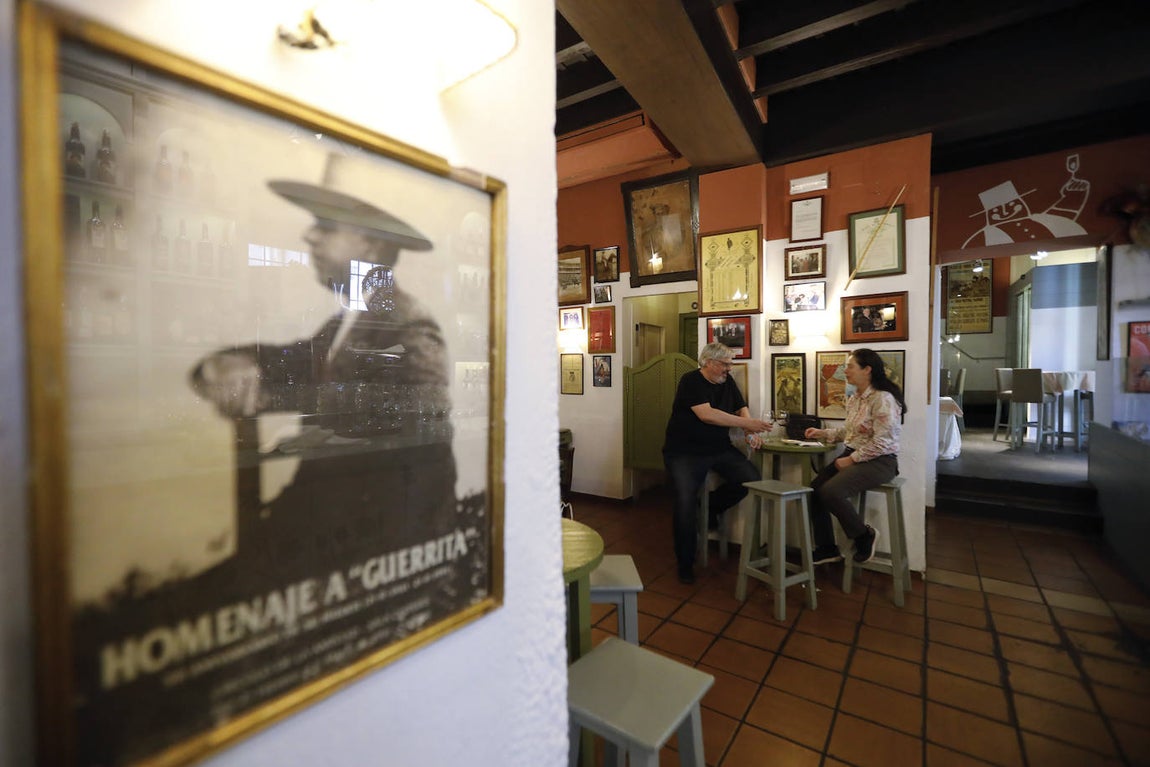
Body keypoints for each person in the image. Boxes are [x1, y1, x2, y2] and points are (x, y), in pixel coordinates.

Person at [189, 154, 458, 579]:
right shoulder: (344, 325)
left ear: (371, 243)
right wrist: (227, 364)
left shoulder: (408, 324)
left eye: (326, 226)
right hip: (329, 539)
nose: (308, 235)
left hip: (381, 558)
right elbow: (283, 359)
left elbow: (409, 414)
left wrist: (266, 394)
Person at [663, 342, 772, 583]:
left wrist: (749, 431)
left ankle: (710, 507)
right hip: (684, 452)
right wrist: (747, 425)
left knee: (750, 479)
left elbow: (740, 406)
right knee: (684, 503)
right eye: (725, 364)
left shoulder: (727, 382)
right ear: (709, 363)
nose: (729, 369)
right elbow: (707, 414)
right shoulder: (690, 381)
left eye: (730, 364)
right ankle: (685, 563)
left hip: (718, 448)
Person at [803, 348, 906, 566]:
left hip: (880, 461)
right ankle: (827, 548)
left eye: (850, 366)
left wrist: (851, 460)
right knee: (814, 489)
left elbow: (884, 442)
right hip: (854, 454)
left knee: (831, 491)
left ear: (867, 369)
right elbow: (849, 433)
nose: (845, 370)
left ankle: (863, 535)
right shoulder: (855, 398)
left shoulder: (883, 398)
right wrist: (822, 433)